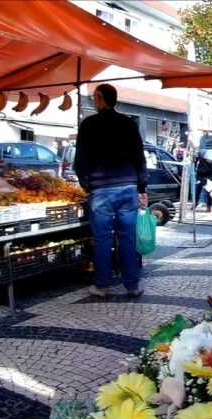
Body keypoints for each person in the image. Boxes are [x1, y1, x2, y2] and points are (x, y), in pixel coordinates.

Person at [74, 84, 148, 298]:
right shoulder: (128, 123)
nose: (93, 100)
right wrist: (141, 186)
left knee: (103, 239)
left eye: (94, 97)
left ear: (99, 98)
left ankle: (102, 286)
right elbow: (139, 157)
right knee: (127, 238)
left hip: (101, 190)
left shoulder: (89, 125)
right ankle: (132, 286)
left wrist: (86, 183)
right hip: (127, 188)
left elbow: (81, 160)